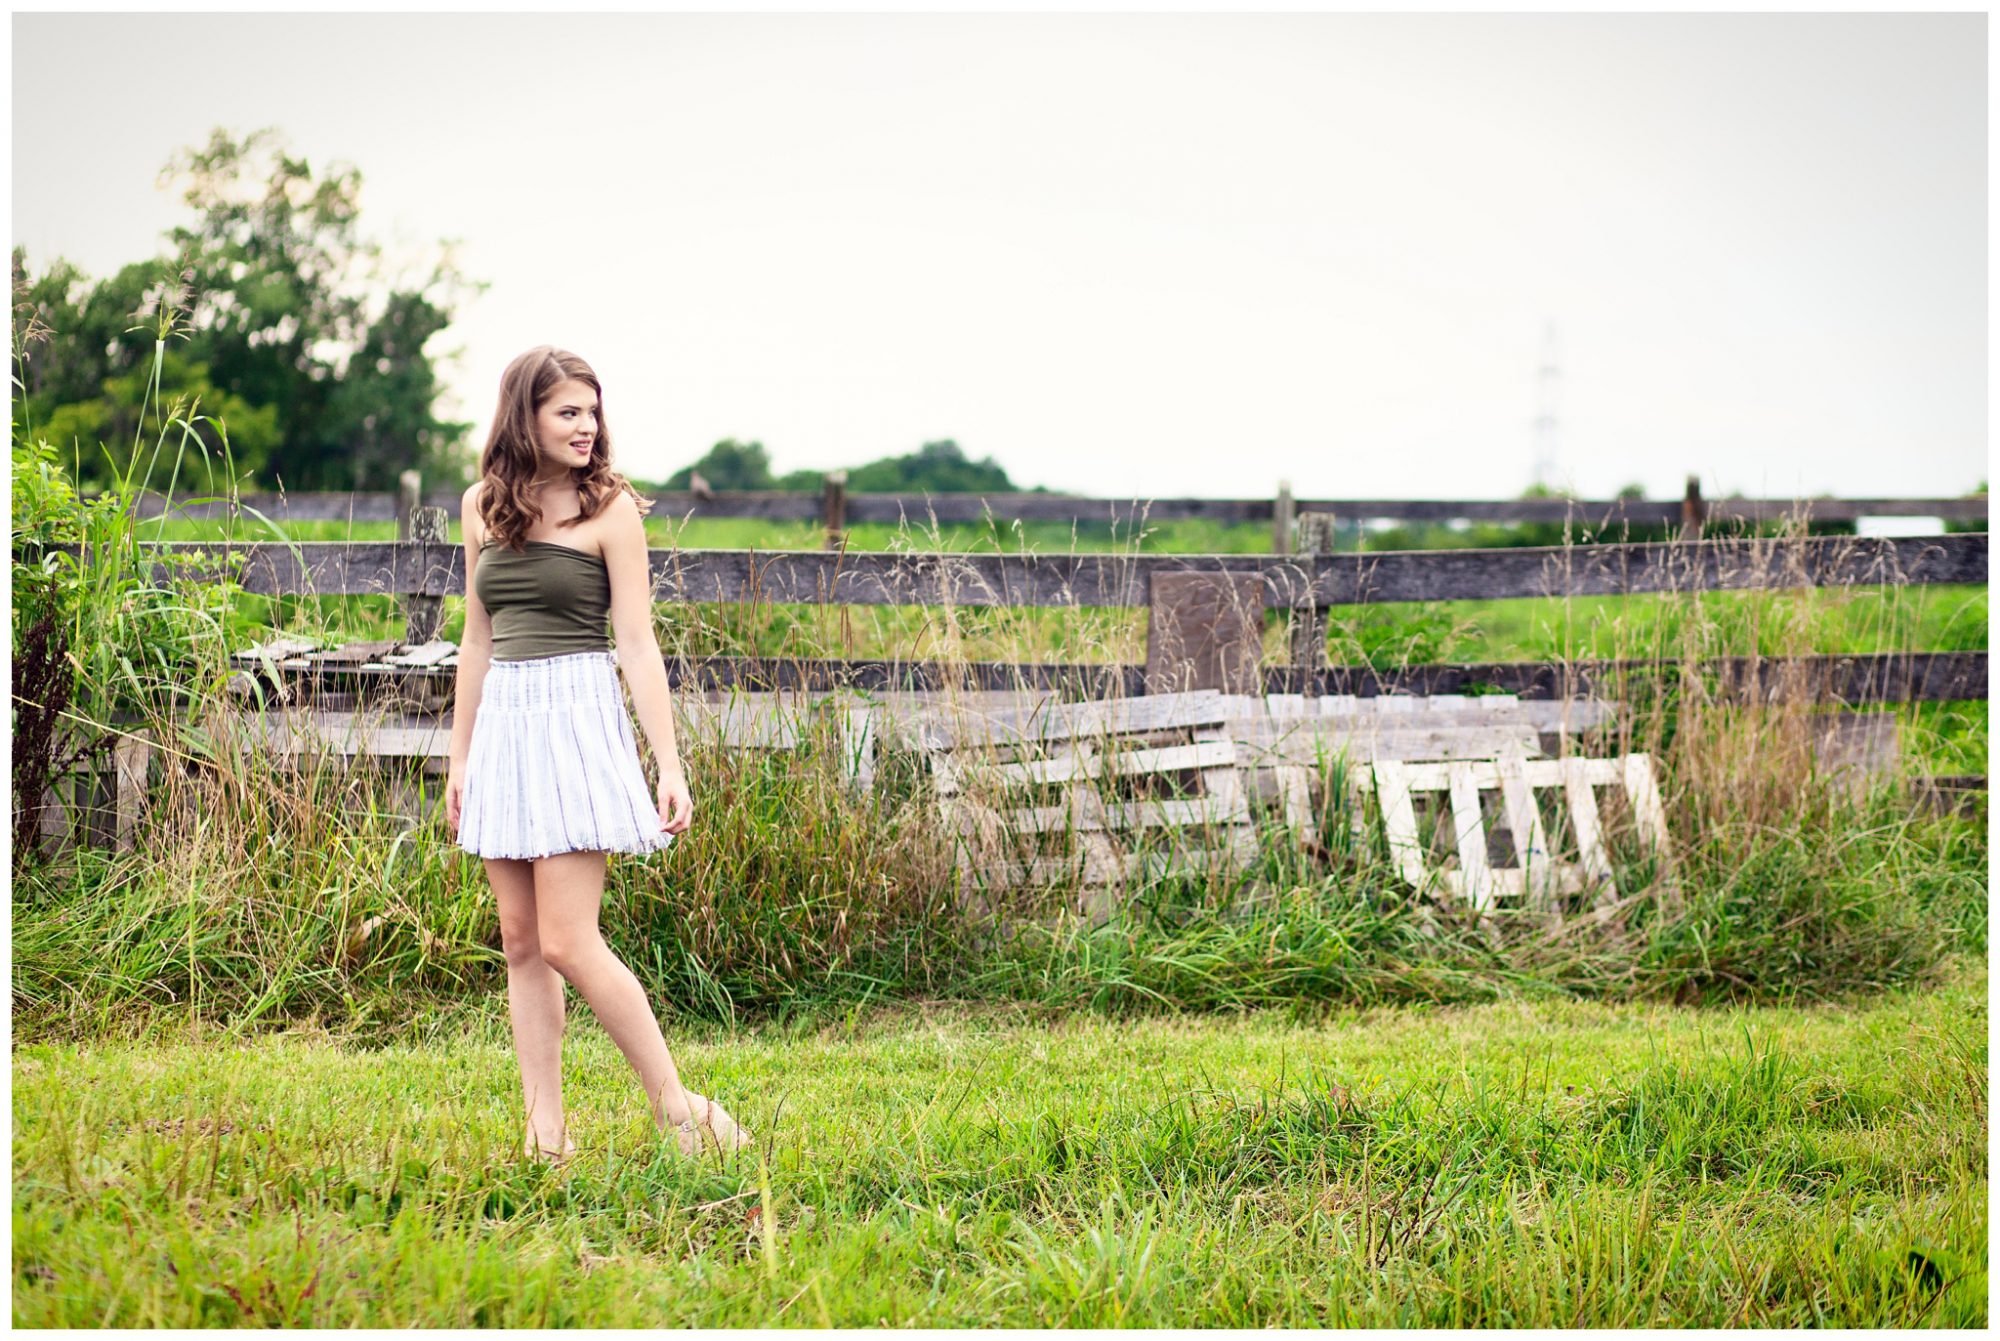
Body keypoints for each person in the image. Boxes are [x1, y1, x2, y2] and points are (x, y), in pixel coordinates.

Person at [446, 344, 752, 1166]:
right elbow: (477, 638)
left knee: (569, 940)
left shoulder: (609, 509)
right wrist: (460, 756)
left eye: (591, 410)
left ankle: (679, 1107)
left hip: (577, 722)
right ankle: (546, 1132)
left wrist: (670, 762)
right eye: (567, 411)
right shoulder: (480, 507)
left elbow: (639, 644)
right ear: (525, 418)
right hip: (507, 723)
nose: (586, 426)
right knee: (518, 936)